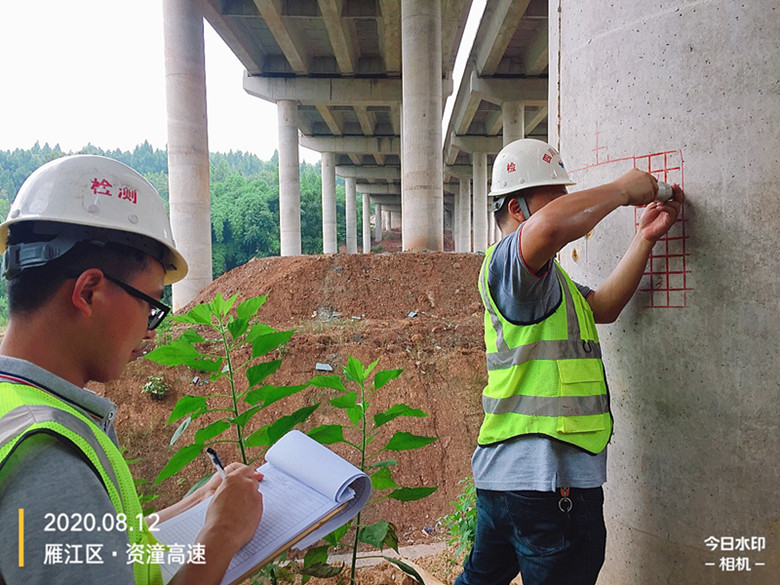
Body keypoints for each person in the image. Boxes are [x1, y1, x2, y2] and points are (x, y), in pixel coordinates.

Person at [0, 155, 264, 585]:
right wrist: (221, 535)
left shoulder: (15, 405)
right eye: (152, 305)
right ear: (89, 292)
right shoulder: (47, 457)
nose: (149, 328)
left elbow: (96, 543)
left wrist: (192, 507)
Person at [454, 139, 684, 585]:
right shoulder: (509, 266)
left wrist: (643, 238)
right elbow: (551, 229)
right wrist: (621, 191)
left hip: (506, 485)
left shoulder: (546, 281)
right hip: (545, 483)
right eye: (553, 195)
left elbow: (603, 307)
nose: (566, 203)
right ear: (517, 209)